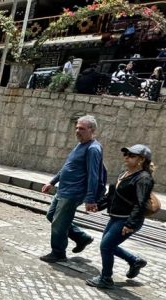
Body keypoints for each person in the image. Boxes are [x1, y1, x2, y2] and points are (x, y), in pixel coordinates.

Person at [86, 145, 154, 289]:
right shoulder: (125, 173)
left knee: (106, 246)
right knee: (108, 245)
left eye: (131, 155)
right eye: (126, 154)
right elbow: (113, 195)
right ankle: (134, 261)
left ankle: (106, 278)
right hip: (116, 217)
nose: (126, 157)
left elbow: (140, 203)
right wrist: (99, 205)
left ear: (141, 160)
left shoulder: (144, 178)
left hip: (127, 219)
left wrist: (130, 224)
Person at [40, 115, 104, 263]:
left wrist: (90, 198)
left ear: (91, 130)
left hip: (73, 193)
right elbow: (68, 167)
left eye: (81, 128)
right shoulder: (80, 144)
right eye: (76, 127)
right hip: (63, 190)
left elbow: (93, 176)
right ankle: (81, 237)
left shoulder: (93, 149)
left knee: (58, 223)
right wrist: (52, 182)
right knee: (51, 216)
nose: (77, 131)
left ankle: (58, 253)